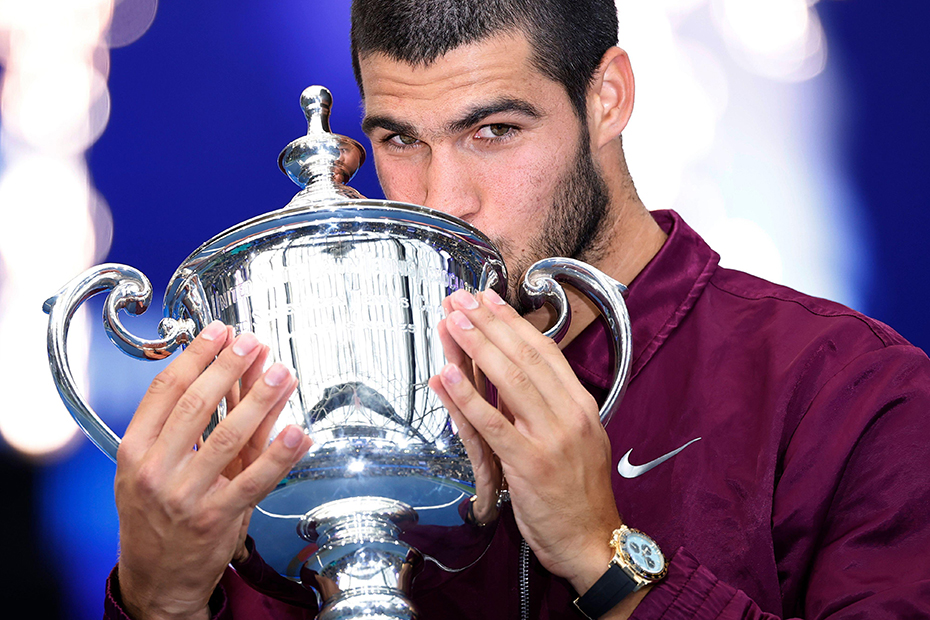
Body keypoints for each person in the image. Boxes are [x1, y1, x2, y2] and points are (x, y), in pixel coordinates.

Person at [104, 1, 930, 619]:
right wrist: (158, 601)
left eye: (493, 130)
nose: (442, 199)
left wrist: (607, 561)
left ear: (608, 97)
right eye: (399, 140)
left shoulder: (850, 393)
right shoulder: (326, 409)